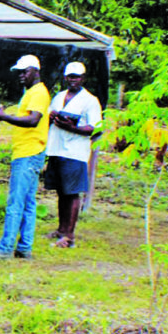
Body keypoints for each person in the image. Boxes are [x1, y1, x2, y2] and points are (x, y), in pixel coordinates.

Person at [0, 54, 51, 261]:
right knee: (28, 203)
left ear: (36, 71)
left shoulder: (39, 92)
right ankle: (24, 247)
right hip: (28, 152)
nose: (21, 75)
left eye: (25, 71)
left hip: (28, 153)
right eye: (19, 72)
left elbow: (33, 120)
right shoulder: (31, 92)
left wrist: (4, 117)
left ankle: (5, 248)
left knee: (16, 202)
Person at [44, 61, 102, 249]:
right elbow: (48, 117)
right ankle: (61, 230)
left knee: (72, 193)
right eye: (70, 76)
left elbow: (95, 129)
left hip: (75, 151)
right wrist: (52, 117)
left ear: (83, 78)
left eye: (76, 77)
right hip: (56, 148)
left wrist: (73, 127)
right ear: (65, 77)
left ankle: (69, 235)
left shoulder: (90, 100)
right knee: (61, 191)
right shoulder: (60, 96)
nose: (73, 80)